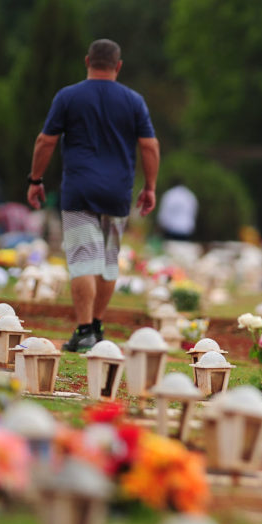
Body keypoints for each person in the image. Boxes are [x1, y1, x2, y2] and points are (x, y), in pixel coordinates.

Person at [28, 38, 160, 352]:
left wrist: (35, 179)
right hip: (118, 192)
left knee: (82, 260)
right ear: (118, 66)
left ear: (88, 61)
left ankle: (85, 329)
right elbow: (150, 146)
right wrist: (150, 187)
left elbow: (45, 142)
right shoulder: (133, 100)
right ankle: (97, 327)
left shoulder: (69, 96)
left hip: (79, 190)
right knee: (108, 260)